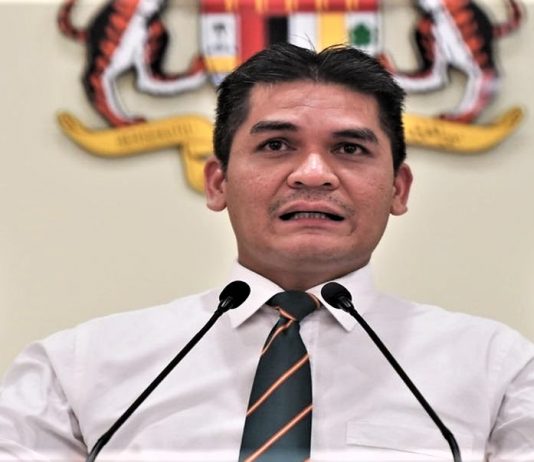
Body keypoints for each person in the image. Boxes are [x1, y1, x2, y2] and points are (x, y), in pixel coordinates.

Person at [1, 43, 533, 461]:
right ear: (218, 183)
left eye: (349, 148)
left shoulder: (499, 371)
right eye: (276, 145)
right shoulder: (75, 370)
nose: (314, 174)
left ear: (398, 188)